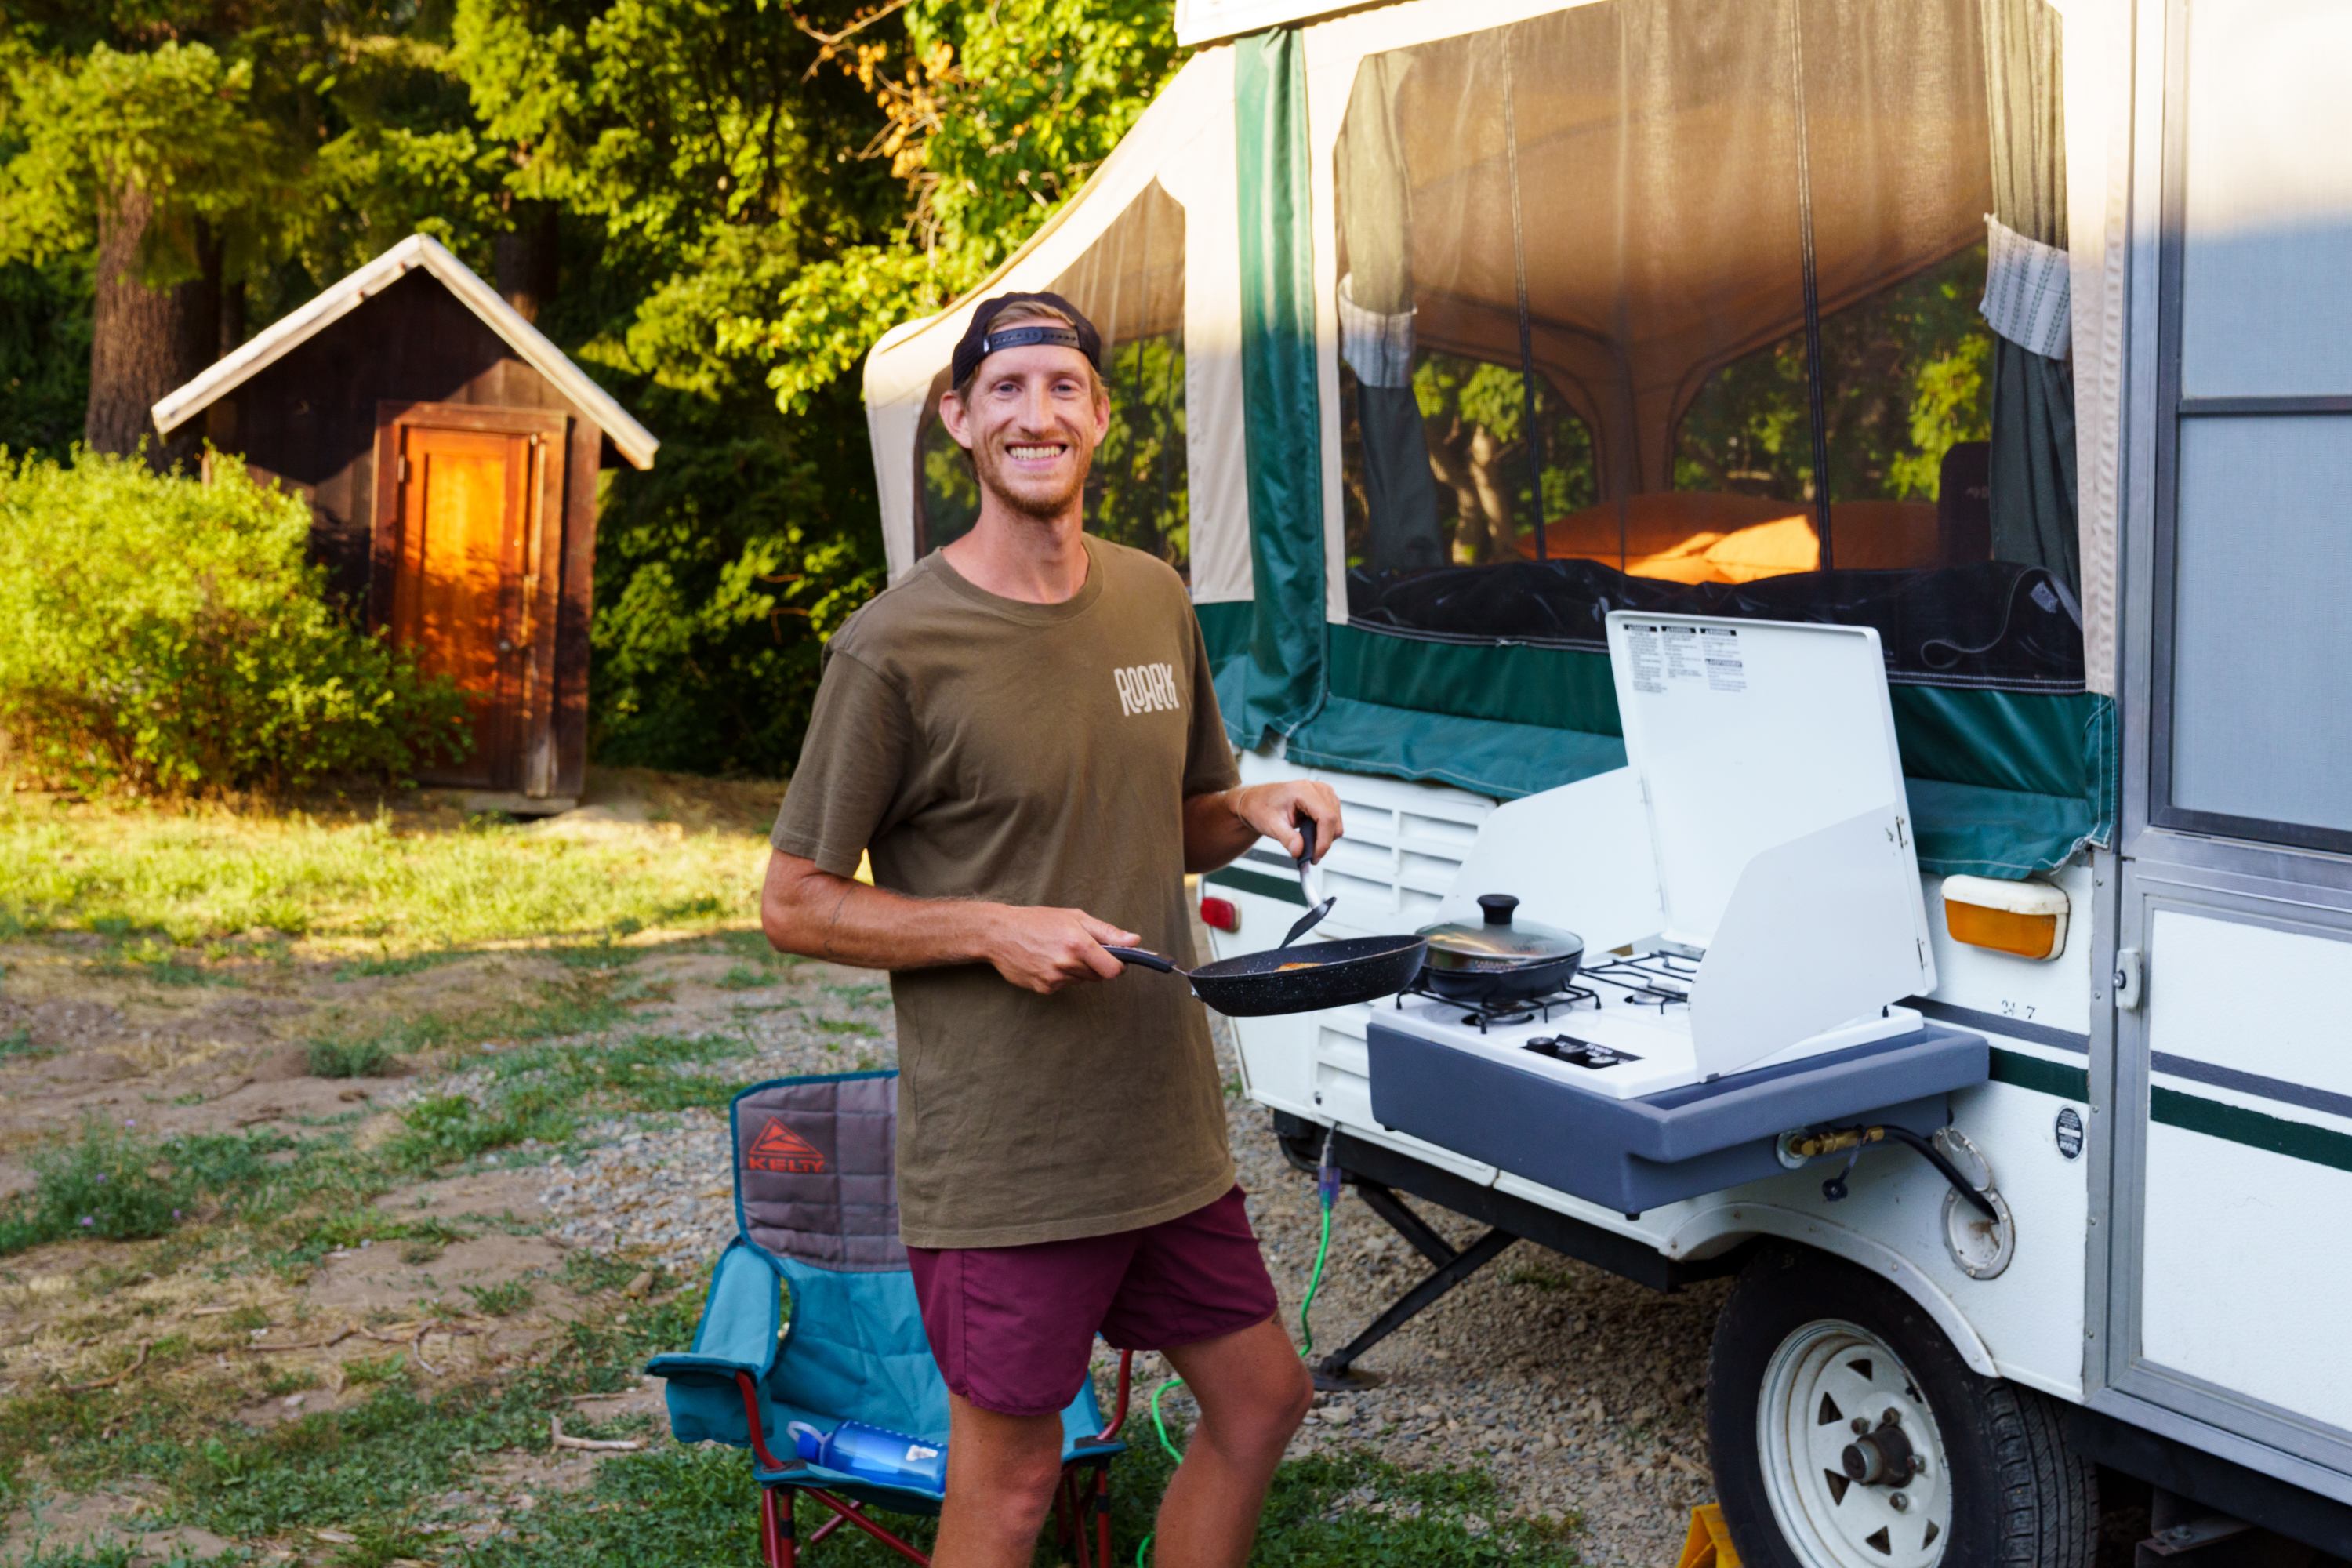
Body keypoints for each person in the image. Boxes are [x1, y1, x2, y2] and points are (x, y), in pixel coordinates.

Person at [760, 292, 1336, 1568]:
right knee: (1014, 1486)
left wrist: (1251, 802)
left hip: (1163, 1130)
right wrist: (990, 929)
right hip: (1011, 1160)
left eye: (1064, 387)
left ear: (1101, 417)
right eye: (1005, 390)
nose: (1037, 414)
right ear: (961, 420)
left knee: (1261, 1402)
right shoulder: (895, 648)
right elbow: (793, 898)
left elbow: (1173, 818)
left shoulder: (1149, 598)